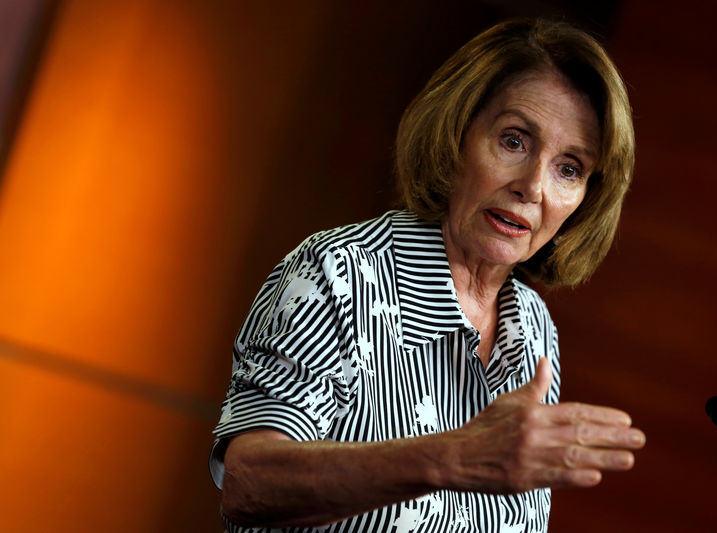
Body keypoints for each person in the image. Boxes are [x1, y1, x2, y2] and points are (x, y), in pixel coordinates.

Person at [210, 18, 644, 532]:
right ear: (456, 134)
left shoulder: (533, 330)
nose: (533, 186)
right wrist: (449, 459)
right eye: (514, 140)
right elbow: (250, 484)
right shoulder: (342, 274)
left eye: (569, 168)